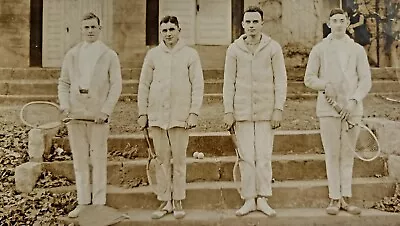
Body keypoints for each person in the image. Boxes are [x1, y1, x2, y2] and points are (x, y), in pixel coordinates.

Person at [304, 8, 372, 216]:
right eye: (335, 20)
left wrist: (353, 101)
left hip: (352, 110)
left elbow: (365, 80)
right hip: (328, 110)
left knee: (347, 154)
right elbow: (309, 78)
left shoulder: (357, 50)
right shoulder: (319, 49)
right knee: (332, 154)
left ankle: (346, 198)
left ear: (347, 23)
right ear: (329, 23)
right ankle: (334, 198)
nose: (339, 24)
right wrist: (325, 85)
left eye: (342, 20)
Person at [137, 15, 204, 219]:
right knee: (162, 160)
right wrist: (142, 113)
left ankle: (178, 201)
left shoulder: (190, 55)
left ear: (179, 30)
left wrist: (193, 113)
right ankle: (165, 201)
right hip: (157, 117)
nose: (168, 34)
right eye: (164, 30)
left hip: (180, 117)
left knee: (180, 160)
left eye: (171, 29)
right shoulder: (153, 55)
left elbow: (198, 85)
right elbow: (144, 85)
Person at [223, 6, 287, 217]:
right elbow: (228, 82)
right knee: (246, 157)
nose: (251, 26)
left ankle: (263, 198)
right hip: (241, 112)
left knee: (264, 156)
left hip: (266, 113)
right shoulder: (234, 49)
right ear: (243, 24)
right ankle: (249, 199)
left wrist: (278, 109)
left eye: (255, 22)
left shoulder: (273, 48)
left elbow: (281, 80)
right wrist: (228, 111)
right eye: (247, 22)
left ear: (262, 24)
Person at [58, 12, 122, 218]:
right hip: (75, 114)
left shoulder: (109, 55)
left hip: (98, 115)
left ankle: (99, 204)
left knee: (98, 158)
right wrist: (65, 105)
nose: (90, 31)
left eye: (94, 27)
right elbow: (64, 83)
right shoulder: (72, 54)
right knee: (80, 159)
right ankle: (84, 202)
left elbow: (116, 85)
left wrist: (106, 110)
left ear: (100, 28)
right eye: (86, 27)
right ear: (81, 29)